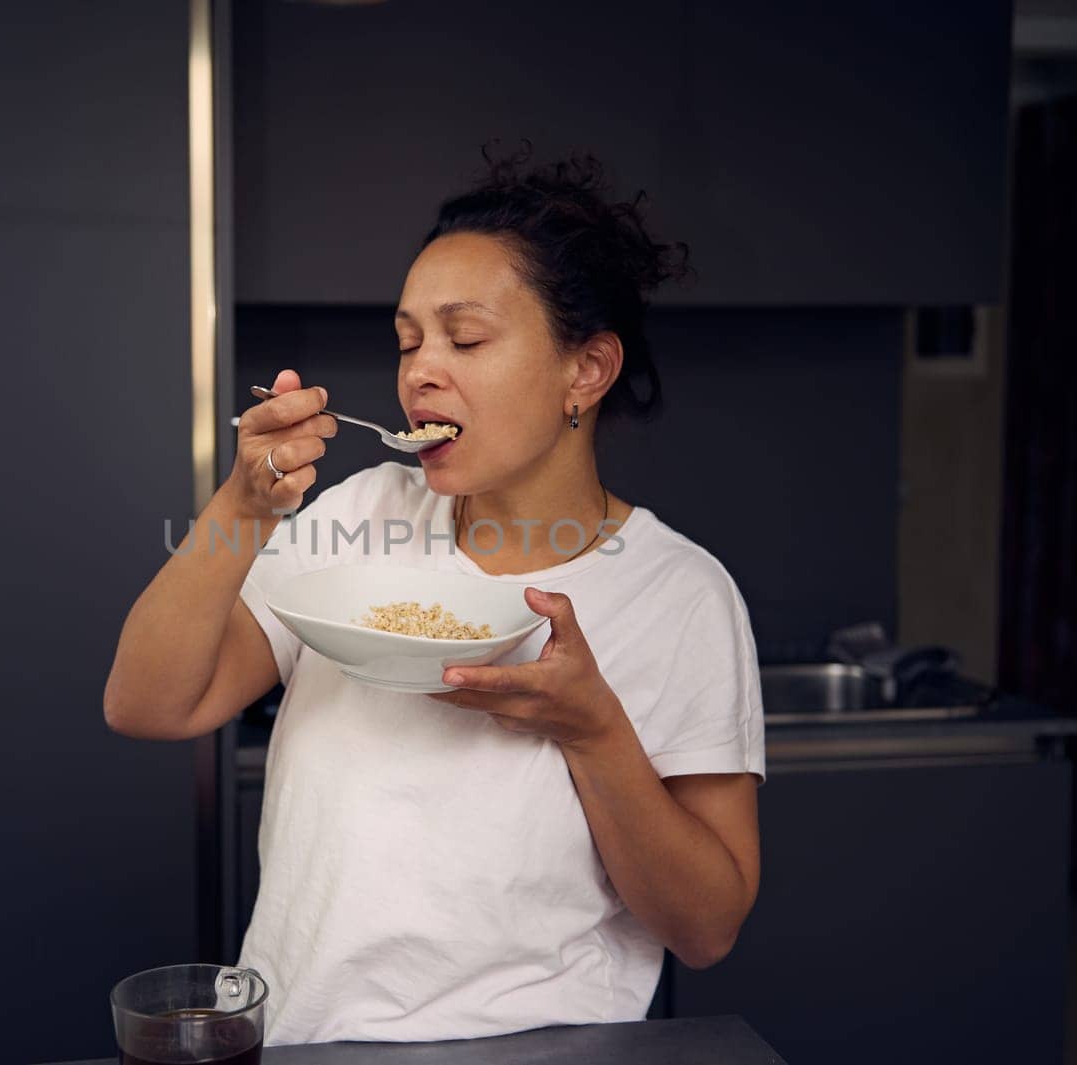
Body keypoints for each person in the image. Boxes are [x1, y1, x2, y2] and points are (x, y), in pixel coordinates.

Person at [104, 151, 764, 1046]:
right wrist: (243, 505)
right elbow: (148, 702)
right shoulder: (363, 512)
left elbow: (708, 926)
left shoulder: (681, 594)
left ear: (587, 370)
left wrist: (592, 729)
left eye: (466, 337)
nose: (420, 371)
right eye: (410, 340)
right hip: (308, 1042)